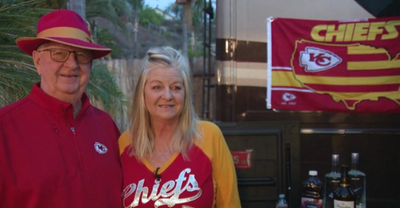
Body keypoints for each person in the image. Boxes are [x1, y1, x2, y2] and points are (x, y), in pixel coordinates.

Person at [0, 9, 122, 208]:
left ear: (91, 64)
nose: (72, 64)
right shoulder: (4, 129)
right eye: (59, 54)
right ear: (37, 60)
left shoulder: (106, 126)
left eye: (81, 55)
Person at [119, 46, 241, 207]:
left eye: (176, 87)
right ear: (142, 93)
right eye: (157, 87)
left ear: (185, 93)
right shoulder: (124, 144)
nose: (167, 96)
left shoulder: (209, 136)